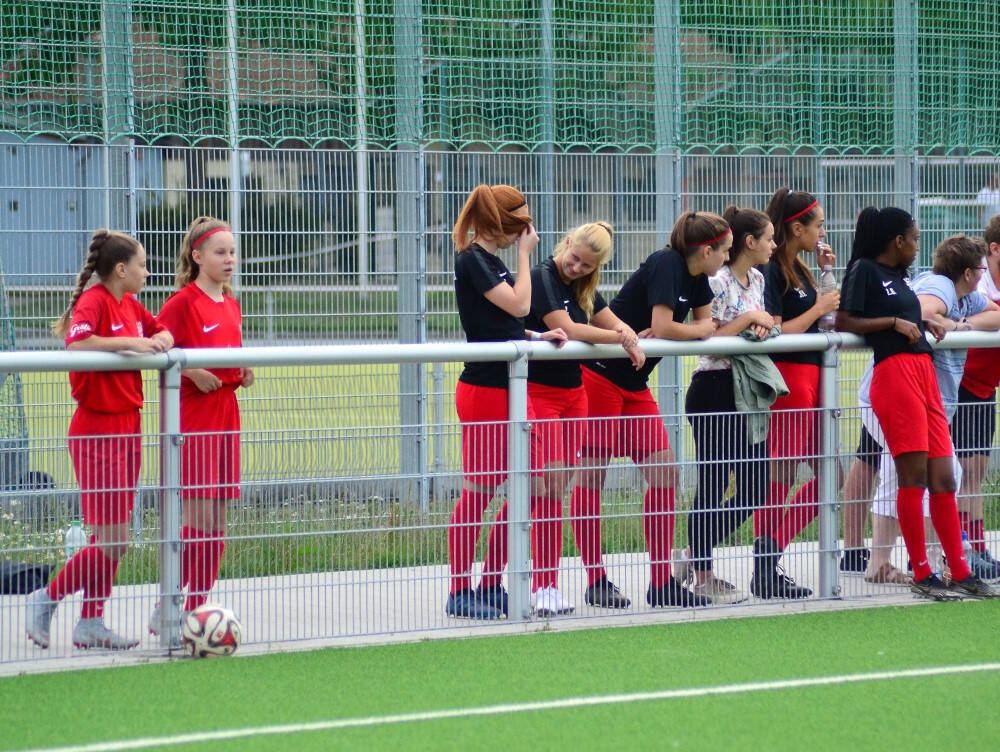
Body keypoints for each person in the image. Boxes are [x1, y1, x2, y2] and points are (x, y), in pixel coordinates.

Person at [836, 206, 996, 601]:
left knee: (945, 477)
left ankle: (960, 571)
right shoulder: (865, 270)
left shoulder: (902, 277)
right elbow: (845, 321)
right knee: (914, 478)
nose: (918, 246)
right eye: (915, 238)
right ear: (897, 241)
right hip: (895, 376)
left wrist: (931, 323)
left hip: (925, 375)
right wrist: (893, 323)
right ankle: (923, 572)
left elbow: (918, 313)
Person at [571, 211, 728, 610]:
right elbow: (668, 325)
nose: (726, 258)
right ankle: (596, 579)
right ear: (705, 250)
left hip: (634, 384)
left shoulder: (699, 277)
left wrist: (695, 329)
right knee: (592, 475)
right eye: (724, 251)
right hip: (600, 377)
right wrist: (695, 329)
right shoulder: (667, 262)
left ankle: (661, 584)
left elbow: (701, 325)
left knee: (664, 473)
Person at [26, 229, 173, 649]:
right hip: (97, 430)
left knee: (111, 538)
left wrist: (159, 339)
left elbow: (161, 330)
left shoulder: (131, 304)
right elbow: (77, 343)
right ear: (121, 269)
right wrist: (133, 344)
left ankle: (91, 622)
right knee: (114, 540)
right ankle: (46, 598)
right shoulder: (95, 300)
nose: (148, 272)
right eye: (143, 265)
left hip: (128, 426)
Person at [448, 184, 567, 620]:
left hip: (512, 388)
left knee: (533, 485)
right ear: (501, 224)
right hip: (486, 390)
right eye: (520, 225)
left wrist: (538, 335)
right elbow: (518, 306)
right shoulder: (473, 259)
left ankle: (490, 582)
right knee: (479, 491)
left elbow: (504, 322)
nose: (525, 232)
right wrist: (525, 257)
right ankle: (459, 589)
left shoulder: (491, 261)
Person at [526, 221, 645, 615]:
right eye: (574, 258)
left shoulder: (584, 285)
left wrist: (625, 331)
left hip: (574, 396)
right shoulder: (543, 276)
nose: (576, 268)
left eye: (587, 266)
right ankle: (536, 584)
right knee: (546, 488)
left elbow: (609, 318)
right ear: (566, 244)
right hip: (539, 394)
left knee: (557, 489)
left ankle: (546, 583)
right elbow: (568, 329)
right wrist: (623, 339)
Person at [150, 216, 254, 635]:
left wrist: (243, 371)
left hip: (227, 413)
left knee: (218, 522)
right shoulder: (181, 303)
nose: (229, 259)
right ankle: (170, 603)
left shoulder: (231, 303)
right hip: (194, 417)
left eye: (233, 252)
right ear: (197, 256)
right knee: (198, 517)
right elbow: (160, 356)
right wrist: (192, 372)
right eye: (220, 252)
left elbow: (231, 353)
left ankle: (197, 609)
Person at [679, 206, 780, 604]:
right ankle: (703, 573)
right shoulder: (717, 281)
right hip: (714, 388)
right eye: (769, 238)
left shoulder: (758, 278)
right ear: (749, 242)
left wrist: (761, 324)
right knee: (715, 483)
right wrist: (752, 318)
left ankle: (691, 552)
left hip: (747, 390)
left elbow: (757, 325)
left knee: (755, 487)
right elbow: (711, 336)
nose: (773, 245)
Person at [751, 188, 838, 599]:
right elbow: (776, 330)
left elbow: (825, 317)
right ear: (797, 228)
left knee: (831, 475)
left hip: (815, 378)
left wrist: (825, 274)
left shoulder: (801, 268)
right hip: (790, 378)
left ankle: (771, 551)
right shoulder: (772, 271)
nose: (823, 232)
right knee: (781, 475)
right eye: (818, 225)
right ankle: (765, 567)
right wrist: (818, 308)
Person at [952, 215, 1000, 579]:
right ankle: (958, 549)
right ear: (994, 249)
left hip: (985, 388)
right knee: (959, 473)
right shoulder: (976, 279)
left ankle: (977, 547)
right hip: (960, 386)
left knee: (976, 472)